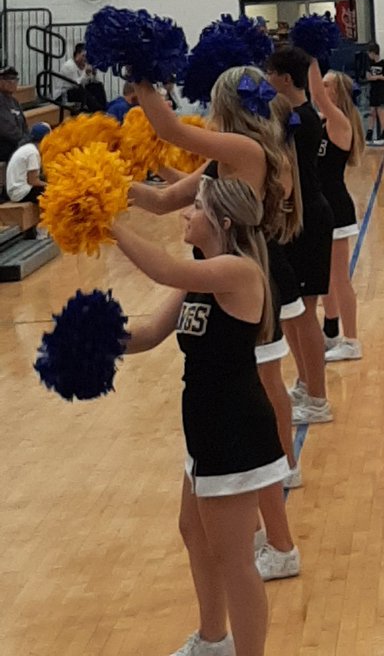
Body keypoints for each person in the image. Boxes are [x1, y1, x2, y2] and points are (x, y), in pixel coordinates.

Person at [112, 176, 288, 656]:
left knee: (234, 559)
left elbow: (163, 270)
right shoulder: (203, 270)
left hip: (235, 431)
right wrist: (93, 338)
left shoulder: (238, 271)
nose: (186, 214)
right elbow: (149, 332)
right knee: (193, 532)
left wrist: (108, 225)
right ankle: (213, 640)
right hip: (205, 428)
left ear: (222, 222)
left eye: (196, 208)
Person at [266, 46, 336, 424]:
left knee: (305, 312)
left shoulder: (302, 119)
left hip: (308, 221)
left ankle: (319, 398)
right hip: (294, 221)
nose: (265, 79)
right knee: (291, 313)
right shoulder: (292, 115)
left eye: (270, 73)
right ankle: (307, 384)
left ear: (286, 79)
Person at [307, 62, 365, 362]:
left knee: (340, 278)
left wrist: (311, 59)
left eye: (328, 84)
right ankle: (331, 334)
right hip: (320, 208)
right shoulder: (319, 122)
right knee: (326, 276)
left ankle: (352, 341)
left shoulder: (340, 121)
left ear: (338, 92)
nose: (322, 87)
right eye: (323, 82)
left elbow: (316, 94)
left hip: (337, 207)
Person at [4, 122, 51, 204]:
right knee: (57, 194)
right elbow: (33, 181)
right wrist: (52, 185)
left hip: (17, 191)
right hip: (21, 192)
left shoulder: (28, 148)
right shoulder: (32, 153)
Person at [59, 43, 108, 112]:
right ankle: (97, 110)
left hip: (79, 89)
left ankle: (103, 108)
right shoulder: (69, 66)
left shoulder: (84, 64)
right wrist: (86, 73)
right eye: (83, 56)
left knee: (97, 85)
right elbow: (76, 84)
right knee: (82, 91)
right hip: (67, 93)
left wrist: (94, 74)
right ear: (77, 55)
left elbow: (90, 82)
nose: (85, 59)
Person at [364, 43, 384, 144]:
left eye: (370, 53)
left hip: (382, 91)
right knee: (372, 112)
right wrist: (373, 78)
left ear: (374, 53)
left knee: (381, 112)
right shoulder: (369, 64)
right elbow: (368, 76)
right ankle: (370, 132)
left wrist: (379, 77)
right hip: (373, 90)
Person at [0, 65, 27, 163]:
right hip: (4, 144)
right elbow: (6, 129)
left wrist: (27, 138)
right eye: (7, 79)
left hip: (15, 143)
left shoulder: (14, 101)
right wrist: (24, 140)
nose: (12, 82)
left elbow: (24, 125)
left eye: (15, 79)